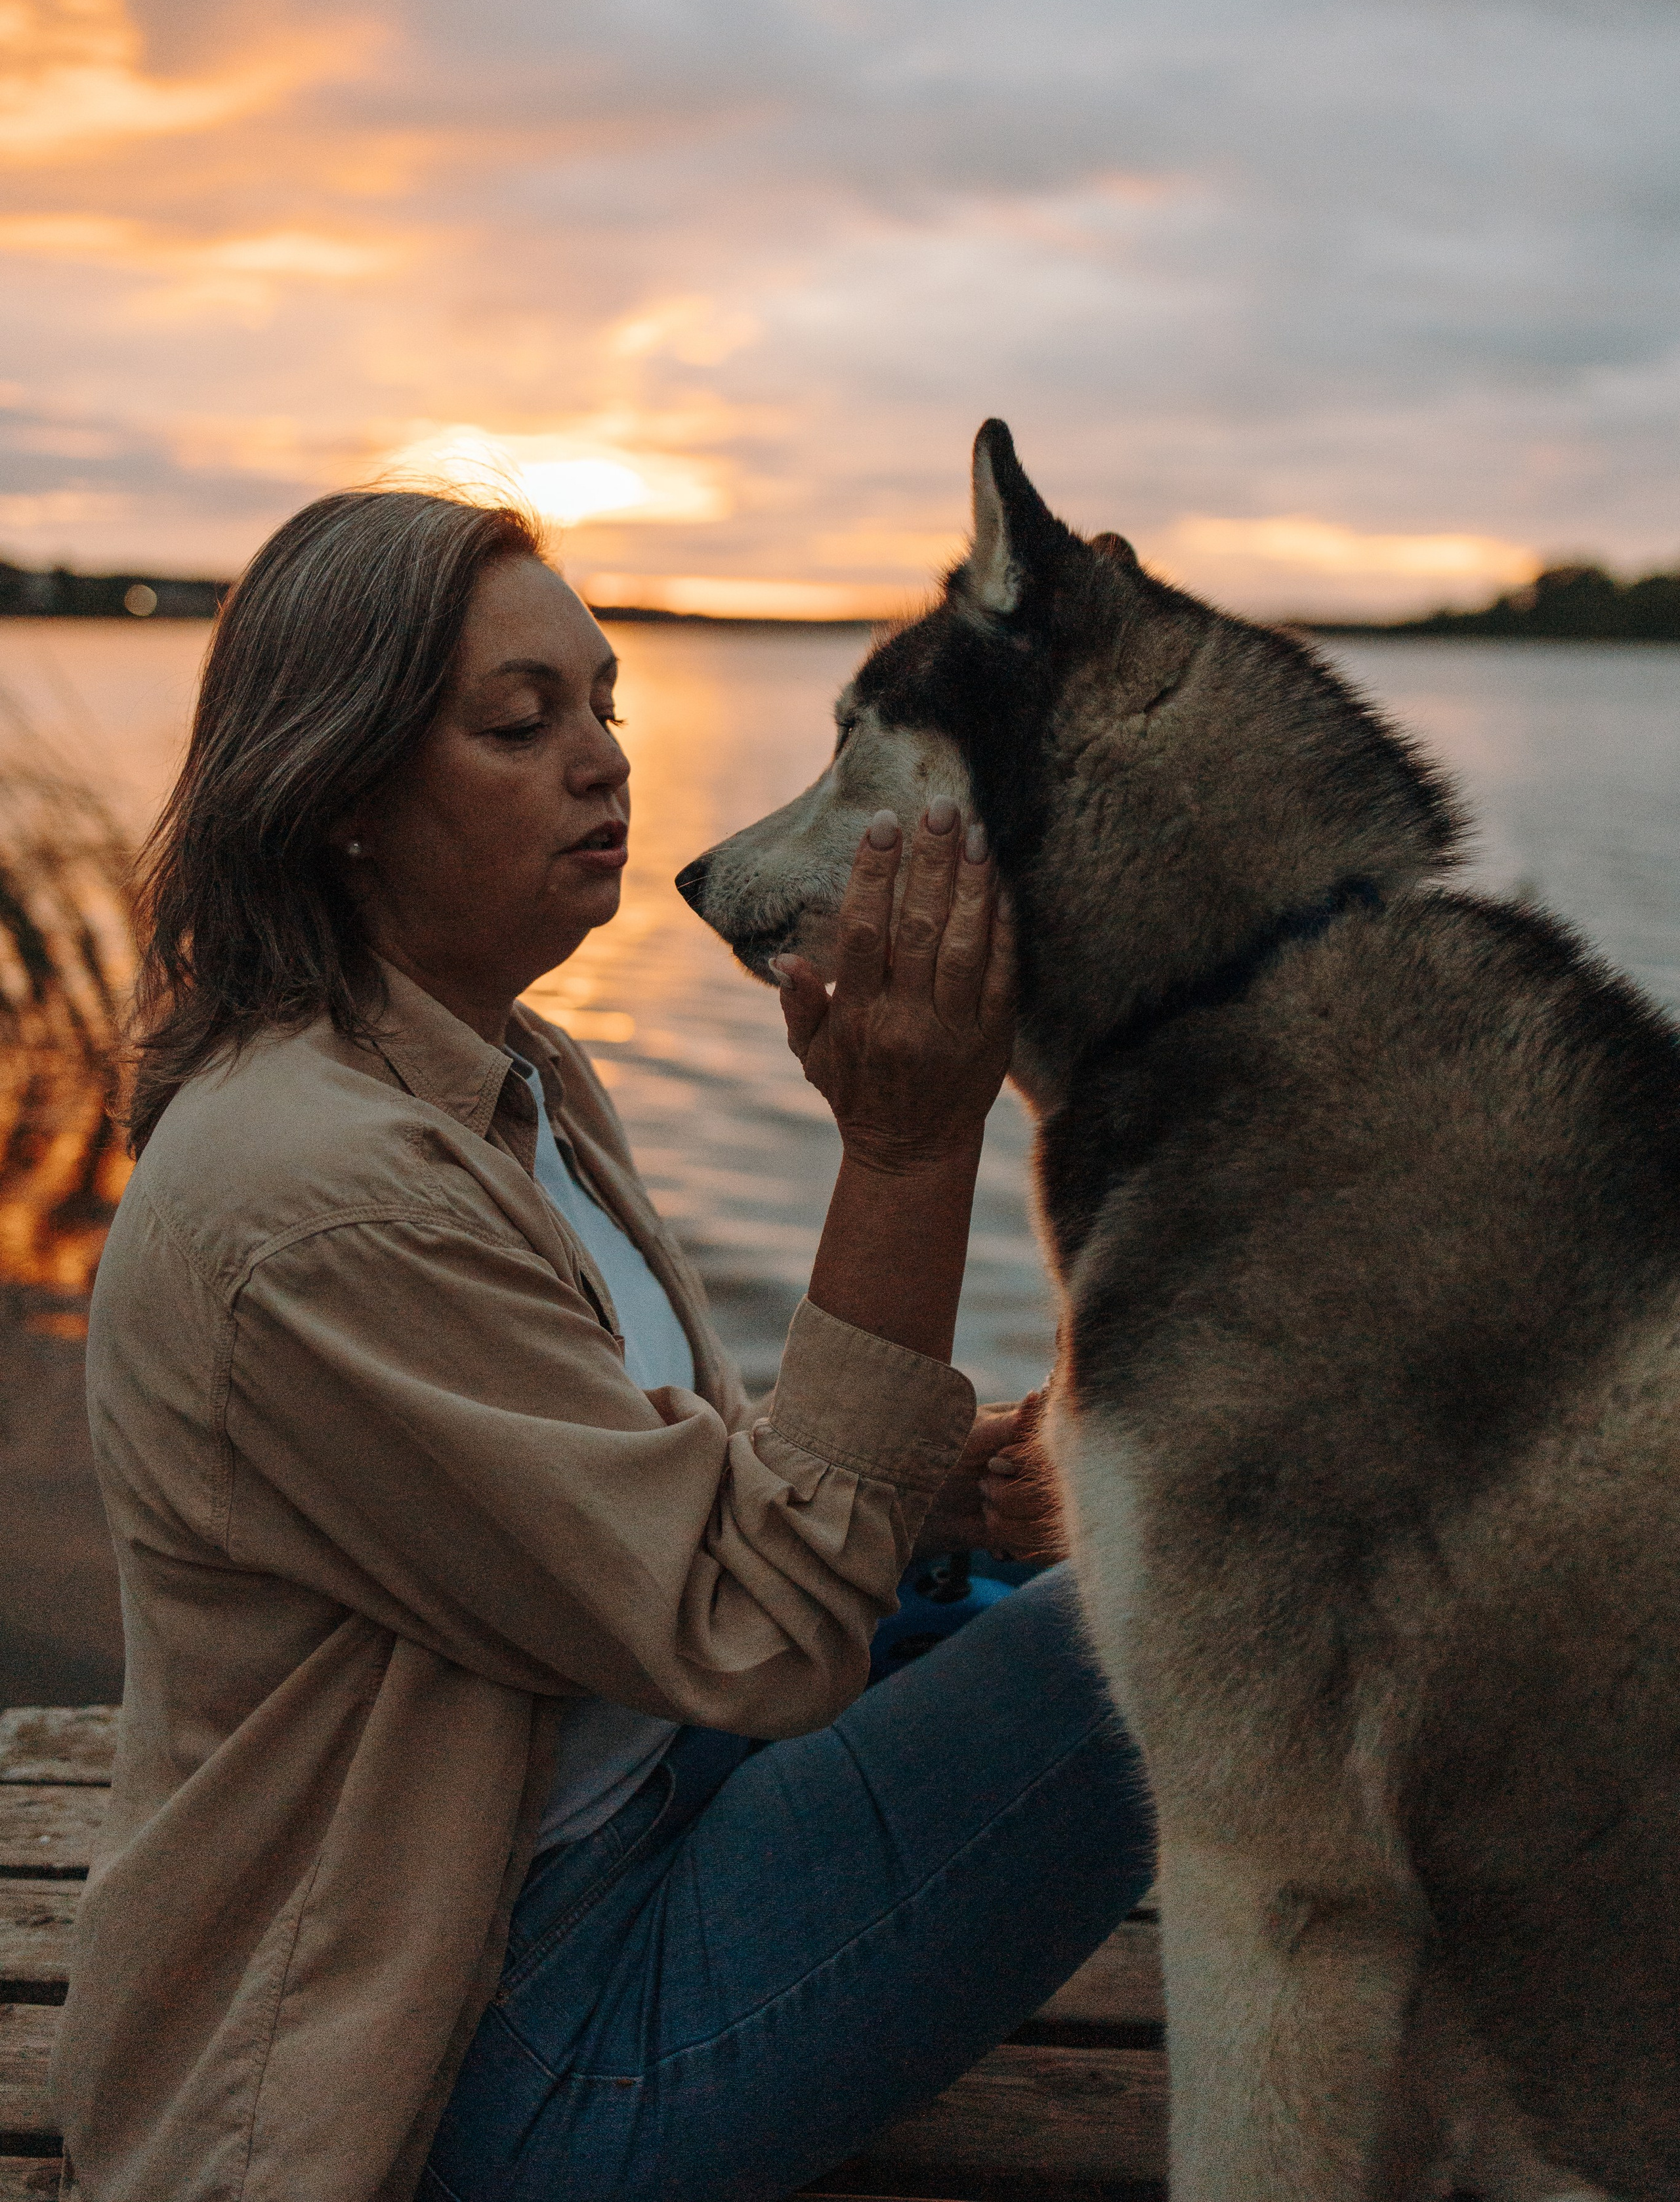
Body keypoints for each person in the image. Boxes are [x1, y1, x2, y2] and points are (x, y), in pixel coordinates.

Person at [56, 490, 1153, 2202]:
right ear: (342, 794)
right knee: (1177, 1637)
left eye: (606, 704)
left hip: (601, 1802)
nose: (603, 762)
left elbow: (630, 1491)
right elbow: (764, 1634)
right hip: (470, 2043)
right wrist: (914, 1150)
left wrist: (931, 1486)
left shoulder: (514, 1076)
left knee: (1110, 1555)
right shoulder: (321, 1196)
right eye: (520, 722)